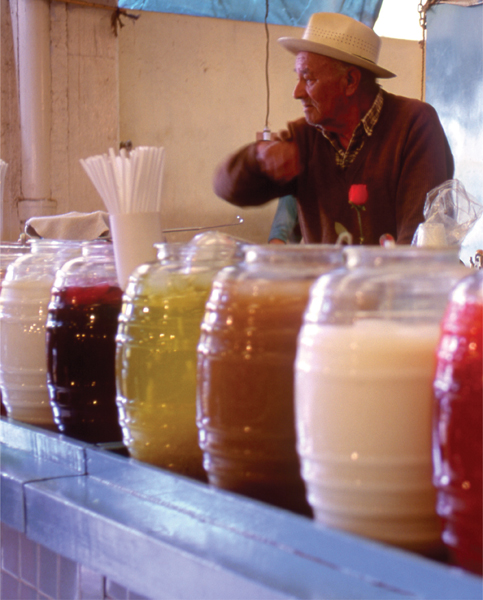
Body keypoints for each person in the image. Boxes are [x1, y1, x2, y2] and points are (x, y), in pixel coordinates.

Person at [213, 12, 454, 245]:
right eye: (298, 78)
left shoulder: (414, 124)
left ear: (350, 81)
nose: (296, 93)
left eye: (308, 79)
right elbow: (228, 189)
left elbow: (420, 240)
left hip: (392, 286)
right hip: (324, 286)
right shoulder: (303, 137)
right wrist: (259, 159)